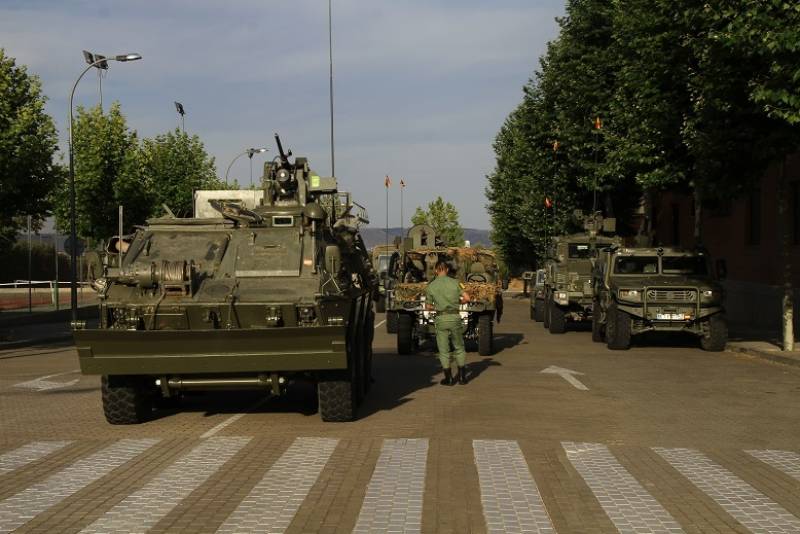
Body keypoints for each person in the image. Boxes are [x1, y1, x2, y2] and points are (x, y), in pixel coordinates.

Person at [425, 260, 470, 385]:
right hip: (455, 317)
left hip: (441, 319)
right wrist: (457, 304)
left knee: (444, 350)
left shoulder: (431, 286)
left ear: (435, 270)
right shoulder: (456, 283)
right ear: (447, 270)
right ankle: (462, 377)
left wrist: (437, 308)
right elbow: (467, 298)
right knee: (459, 347)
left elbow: (428, 306)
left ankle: (449, 378)